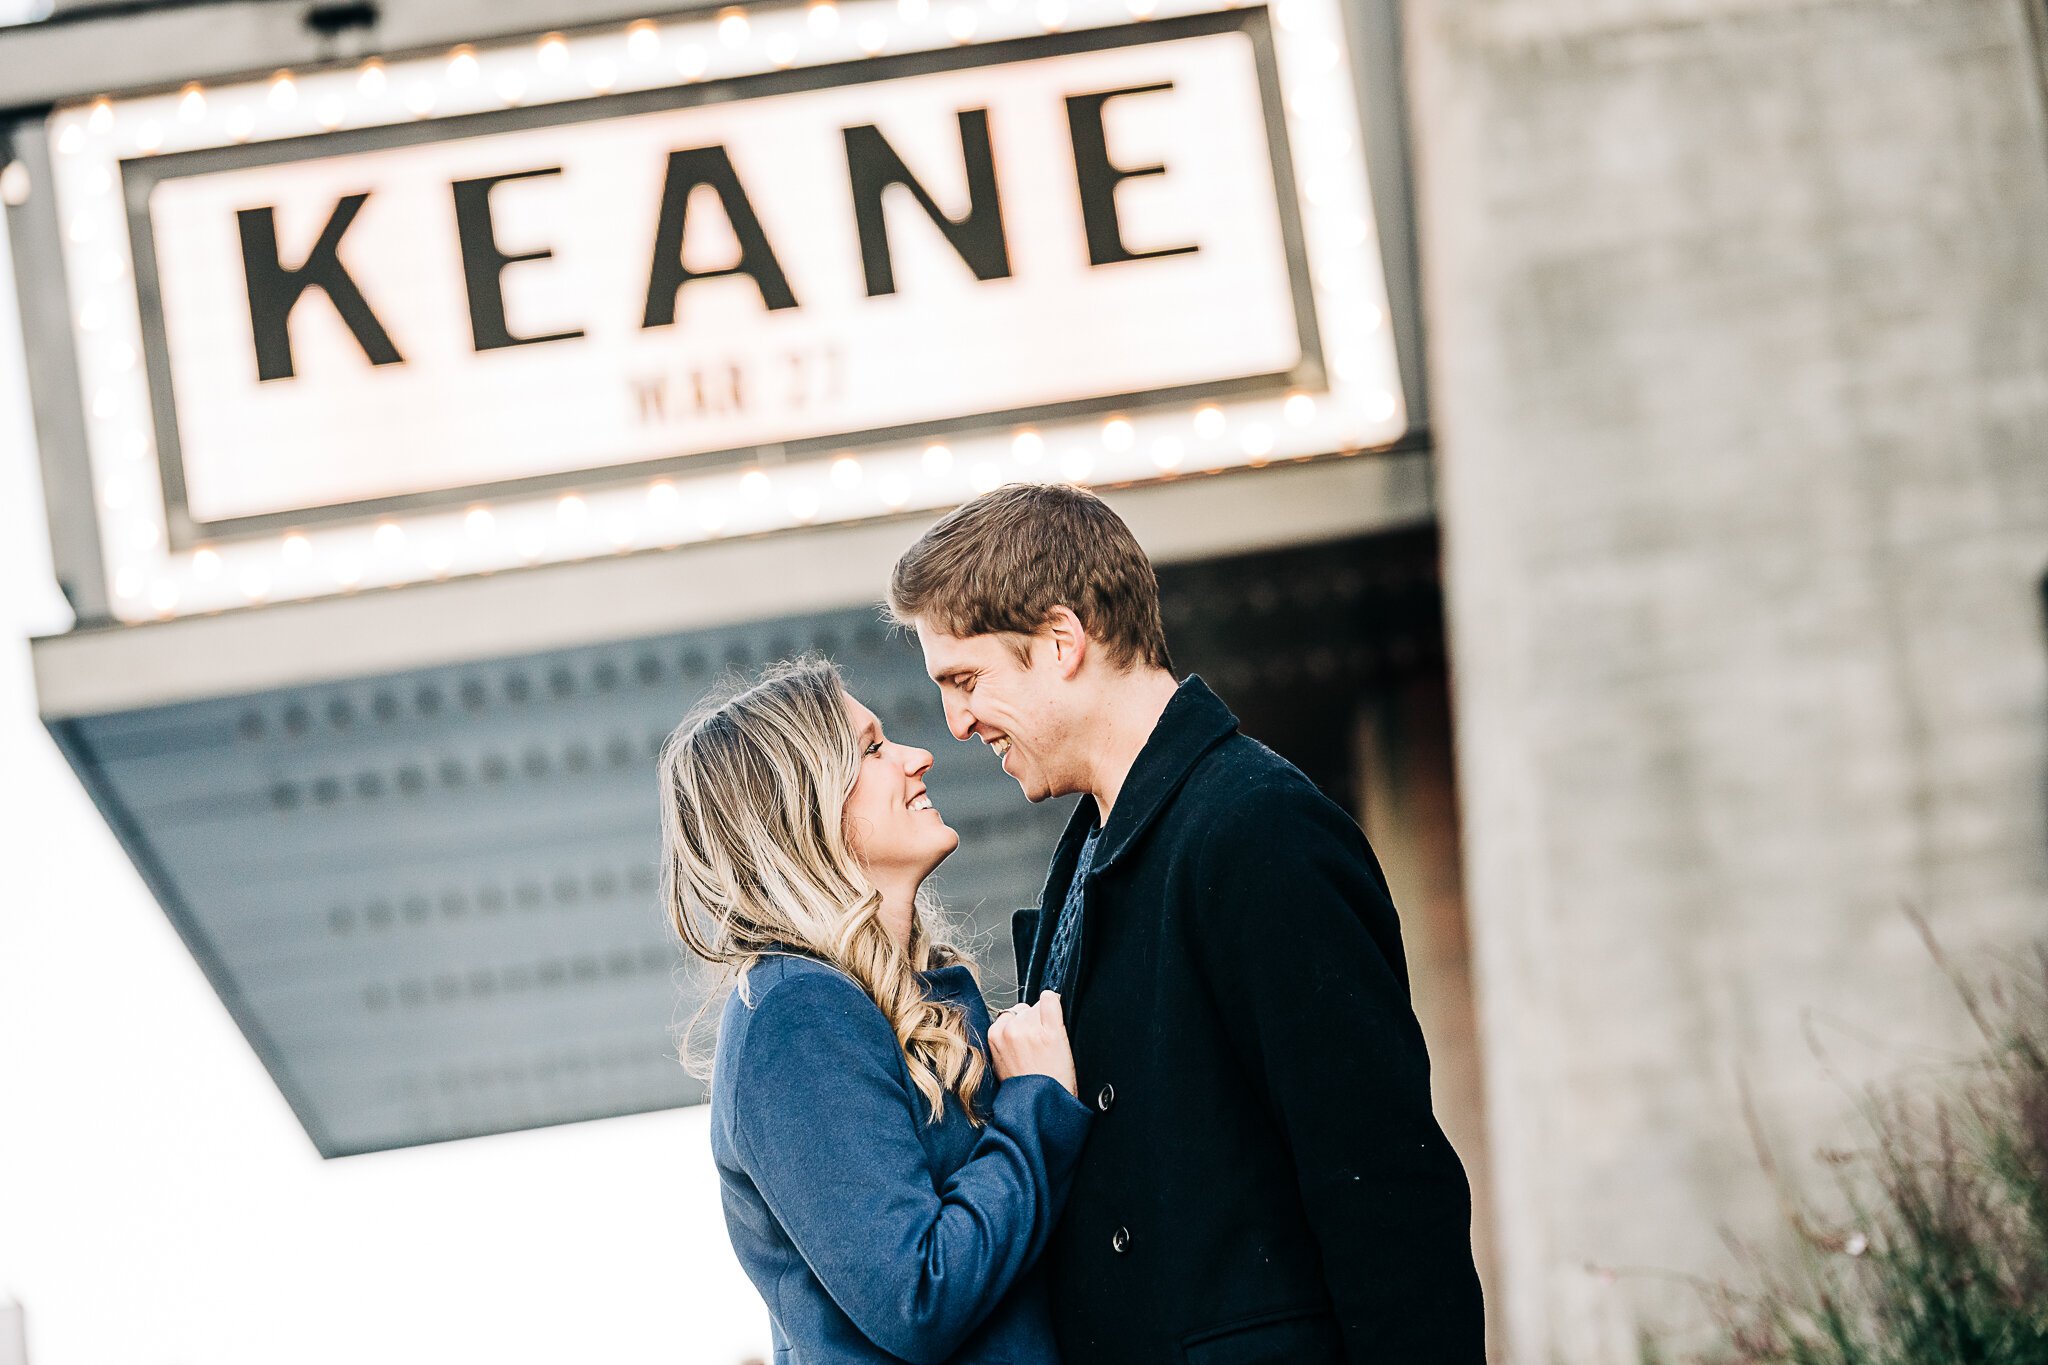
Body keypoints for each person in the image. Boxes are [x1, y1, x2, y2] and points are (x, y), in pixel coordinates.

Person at [889, 483, 1486, 1364]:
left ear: (1061, 642)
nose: (955, 721)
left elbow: (1386, 1187)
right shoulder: (1098, 850)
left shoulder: (1259, 828)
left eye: (966, 679)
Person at [657, 657, 1093, 1364]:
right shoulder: (793, 1015)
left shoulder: (881, 997)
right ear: (803, 806)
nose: (918, 757)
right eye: (872, 749)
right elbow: (917, 1293)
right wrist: (1034, 1105)